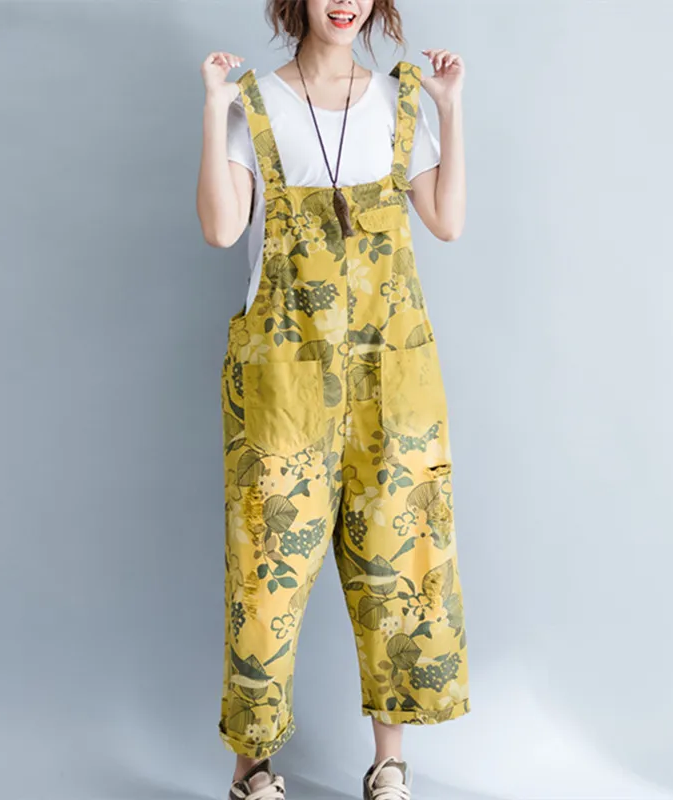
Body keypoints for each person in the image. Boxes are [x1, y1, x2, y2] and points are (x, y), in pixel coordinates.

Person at [196, 2, 469, 798]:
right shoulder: (256, 104)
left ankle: (390, 761)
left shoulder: (398, 102)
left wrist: (453, 111)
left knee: (401, 560)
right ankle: (252, 767)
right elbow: (221, 229)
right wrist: (213, 111)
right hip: (284, 379)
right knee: (265, 570)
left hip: (394, 375)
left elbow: (446, 221)